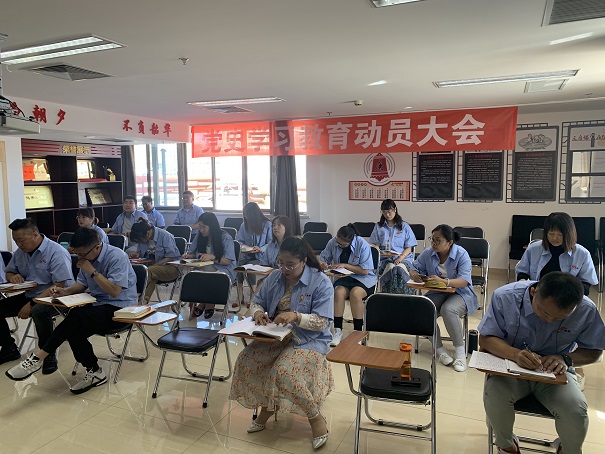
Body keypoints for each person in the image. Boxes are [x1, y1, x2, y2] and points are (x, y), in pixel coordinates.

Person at [479, 272, 605, 454]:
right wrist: (515, 354)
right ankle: (507, 446)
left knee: (575, 409)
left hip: (555, 374)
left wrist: (565, 358)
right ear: (533, 292)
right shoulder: (506, 297)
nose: (550, 320)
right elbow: (485, 338)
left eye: (560, 318)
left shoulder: (586, 309)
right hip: (511, 368)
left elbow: (595, 352)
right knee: (495, 394)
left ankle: (567, 449)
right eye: (545, 312)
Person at [229, 236, 334, 450]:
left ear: (304, 261)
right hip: (277, 336)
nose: (284, 269)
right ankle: (269, 405)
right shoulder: (276, 277)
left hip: (309, 339)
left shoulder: (320, 282)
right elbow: (257, 302)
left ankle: (315, 417)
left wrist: (296, 316)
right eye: (281, 263)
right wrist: (258, 313)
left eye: (290, 264)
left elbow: (323, 322)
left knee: (285, 371)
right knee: (247, 359)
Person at [6, 227, 138, 394]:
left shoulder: (117, 256)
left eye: (82, 254)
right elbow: (81, 285)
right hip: (97, 305)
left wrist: (93, 271)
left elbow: (114, 291)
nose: (80, 258)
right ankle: (95, 371)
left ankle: (38, 357)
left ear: (97, 247)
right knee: (74, 330)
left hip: (121, 309)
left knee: (77, 316)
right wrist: (65, 292)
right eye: (77, 254)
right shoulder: (86, 258)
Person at [0, 218, 73, 374]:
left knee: (39, 311)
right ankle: (9, 348)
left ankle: (48, 354)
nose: (18, 244)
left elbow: (58, 286)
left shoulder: (56, 252)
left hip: (58, 297)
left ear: (35, 234)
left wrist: (32, 304)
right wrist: (13, 276)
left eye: (21, 240)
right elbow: (9, 271)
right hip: (31, 294)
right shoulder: (21, 252)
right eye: (15, 240)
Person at [409, 224, 478, 372]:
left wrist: (444, 281)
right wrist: (414, 274)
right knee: (423, 310)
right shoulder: (429, 253)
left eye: (438, 240)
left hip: (460, 293)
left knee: (448, 310)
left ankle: (460, 354)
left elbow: (463, 281)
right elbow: (414, 267)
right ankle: (440, 350)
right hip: (437, 292)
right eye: (432, 239)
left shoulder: (461, 254)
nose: (433, 243)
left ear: (449, 242)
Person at [319, 223, 376, 347]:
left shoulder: (362, 244)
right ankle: (338, 330)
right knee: (338, 292)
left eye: (343, 245)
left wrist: (345, 265)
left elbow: (365, 271)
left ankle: (357, 332)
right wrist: (323, 263)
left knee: (355, 293)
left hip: (363, 279)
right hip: (344, 278)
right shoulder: (333, 242)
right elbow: (323, 258)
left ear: (350, 241)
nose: (339, 245)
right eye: (338, 243)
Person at [516, 212, 597, 296]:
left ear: (569, 234)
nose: (554, 238)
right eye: (551, 234)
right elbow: (522, 273)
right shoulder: (533, 249)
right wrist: (523, 282)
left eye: (560, 235)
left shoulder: (582, 254)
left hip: (568, 297)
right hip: (538, 294)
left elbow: (586, 284)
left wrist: (571, 293)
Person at [183, 212, 236, 319]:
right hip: (204, 266)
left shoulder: (225, 237)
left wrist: (212, 257)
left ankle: (205, 304)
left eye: (204, 227)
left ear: (212, 226)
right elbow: (194, 253)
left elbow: (228, 261)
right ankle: (207, 304)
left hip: (223, 268)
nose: (201, 230)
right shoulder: (200, 236)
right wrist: (188, 256)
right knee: (193, 276)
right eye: (200, 227)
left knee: (210, 277)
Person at [369, 199, 417, 294]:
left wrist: (400, 258)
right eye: (384, 212)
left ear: (395, 209)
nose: (387, 214)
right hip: (385, 258)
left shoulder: (404, 226)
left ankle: (404, 294)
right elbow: (376, 245)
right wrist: (378, 250)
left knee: (399, 267)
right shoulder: (379, 226)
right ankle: (387, 294)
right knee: (390, 266)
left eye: (389, 211)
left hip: (403, 258)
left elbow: (409, 247)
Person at [129, 219, 181, 304]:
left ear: (147, 233)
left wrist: (157, 265)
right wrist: (137, 254)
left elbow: (171, 257)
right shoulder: (142, 236)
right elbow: (141, 252)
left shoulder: (165, 236)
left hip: (171, 267)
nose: (141, 242)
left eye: (141, 240)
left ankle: (135, 297)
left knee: (148, 271)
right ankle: (143, 301)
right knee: (151, 275)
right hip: (154, 268)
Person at [235, 202, 272, 310]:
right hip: (247, 255)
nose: (246, 217)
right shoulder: (244, 225)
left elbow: (271, 243)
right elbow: (239, 241)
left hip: (261, 256)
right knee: (239, 266)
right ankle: (240, 294)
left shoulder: (267, 224)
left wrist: (260, 248)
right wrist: (246, 247)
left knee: (250, 267)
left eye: (247, 214)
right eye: (244, 214)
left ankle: (253, 296)